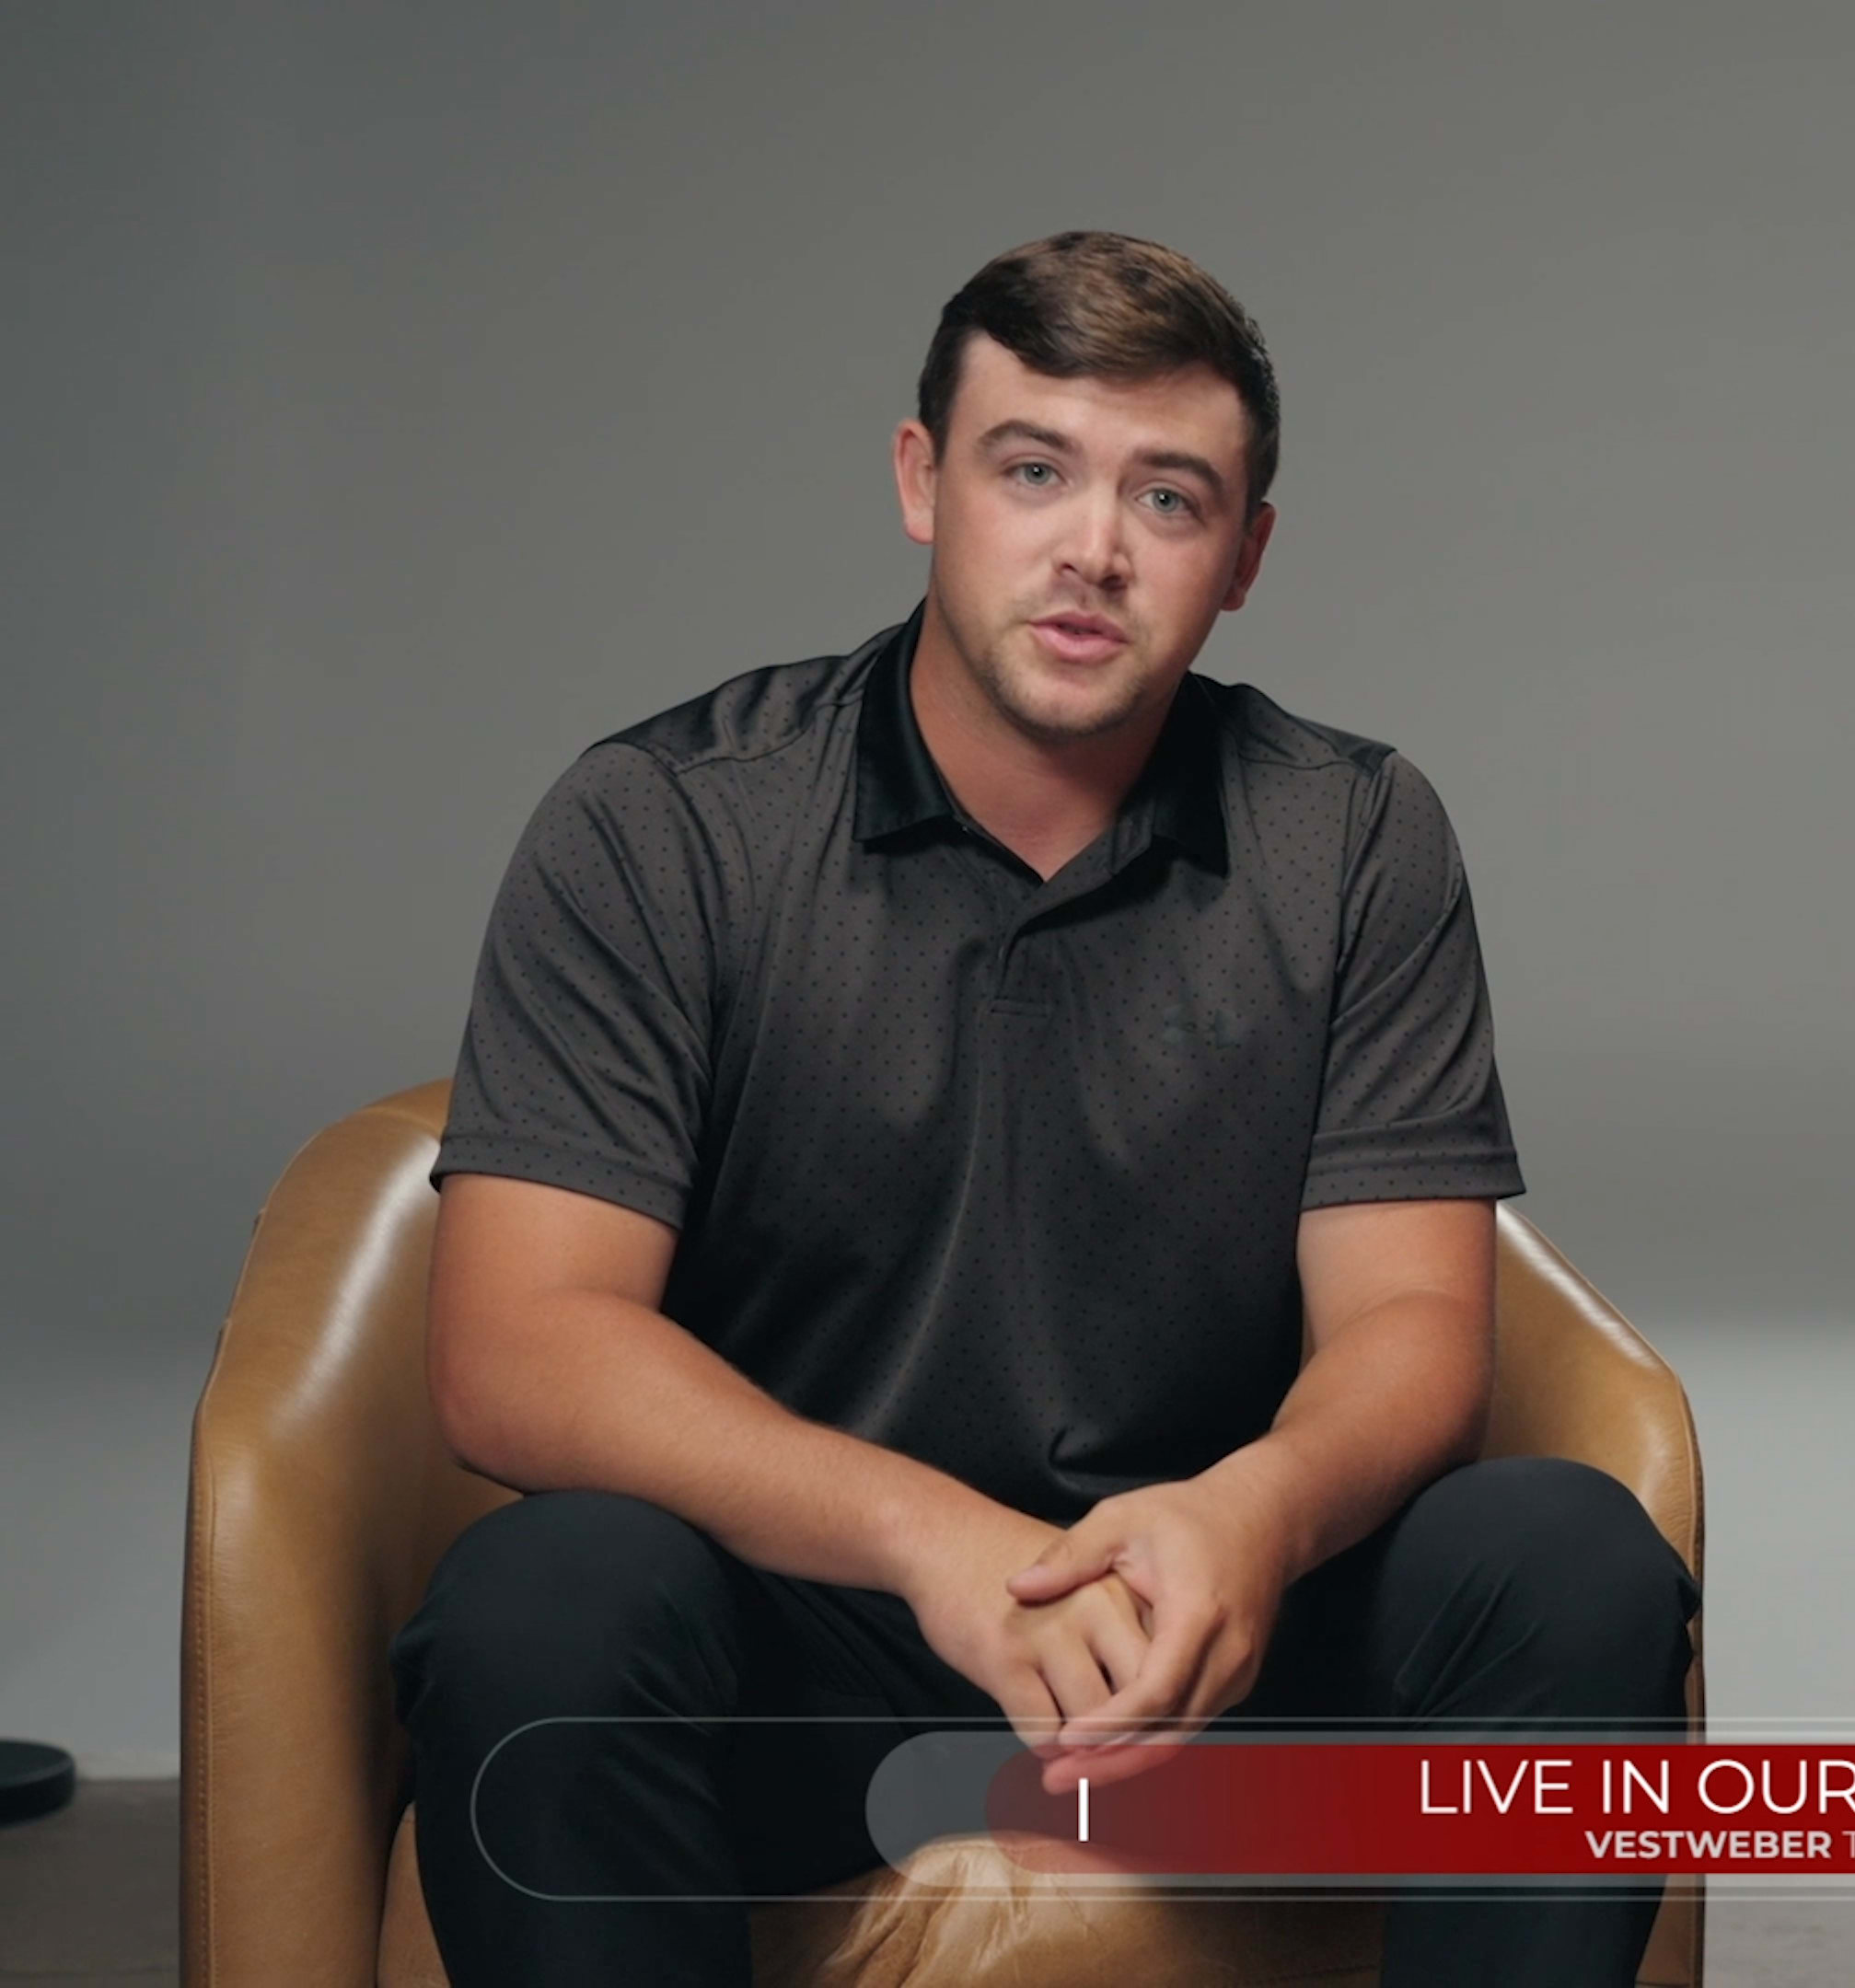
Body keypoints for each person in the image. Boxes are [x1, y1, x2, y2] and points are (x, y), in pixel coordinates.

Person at [392, 231, 1695, 1987]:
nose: (1093, 546)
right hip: (813, 1655)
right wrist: (934, 1541)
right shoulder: (666, 825)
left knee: (1564, 1555)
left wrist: (1251, 1519)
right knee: (541, 1602)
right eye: (1034, 470)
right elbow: (520, 1349)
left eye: (1171, 498)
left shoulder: (1354, 838)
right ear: (923, 482)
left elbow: (1411, 1329)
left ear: (1244, 559)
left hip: (1204, 1663)